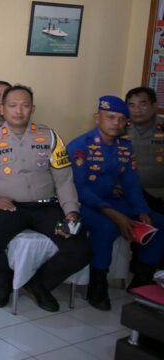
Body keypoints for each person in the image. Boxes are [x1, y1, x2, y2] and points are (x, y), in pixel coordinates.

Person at [0, 85, 90, 312]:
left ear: (32, 109)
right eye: (12, 105)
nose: (19, 111)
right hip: (10, 207)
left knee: (80, 250)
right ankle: (4, 284)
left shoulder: (49, 136)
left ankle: (39, 285)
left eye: (25, 105)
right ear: (2, 109)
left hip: (47, 207)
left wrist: (71, 212)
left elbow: (64, 180)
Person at [67, 95, 164, 311]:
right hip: (85, 203)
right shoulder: (80, 146)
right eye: (110, 117)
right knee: (105, 227)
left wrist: (141, 210)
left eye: (121, 119)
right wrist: (113, 213)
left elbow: (131, 182)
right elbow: (79, 188)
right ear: (97, 118)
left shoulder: (124, 147)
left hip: (111, 199)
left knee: (158, 222)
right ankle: (97, 286)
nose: (116, 123)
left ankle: (142, 280)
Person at [125, 86, 164, 214]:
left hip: (157, 194)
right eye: (132, 105)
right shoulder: (119, 127)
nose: (137, 110)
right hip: (125, 193)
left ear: (154, 106)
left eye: (143, 104)